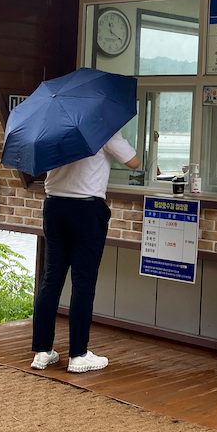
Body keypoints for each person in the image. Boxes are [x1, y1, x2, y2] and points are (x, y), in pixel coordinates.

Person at [31, 131, 139, 373]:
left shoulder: (53, 128)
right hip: (86, 210)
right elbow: (133, 162)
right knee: (83, 282)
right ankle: (78, 354)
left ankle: (42, 351)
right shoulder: (103, 128)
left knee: (50, 279)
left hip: (54, 206)